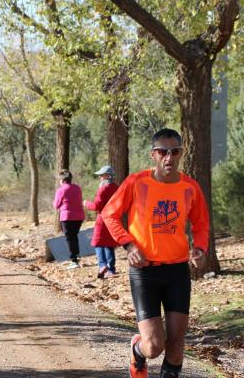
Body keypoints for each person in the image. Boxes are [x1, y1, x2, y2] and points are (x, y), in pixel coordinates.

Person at [101, 128, 209, 378]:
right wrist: (128, 245)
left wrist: (200, 248)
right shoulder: (136, 182)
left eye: (175, 152)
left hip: (177, 270)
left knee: (176, 344)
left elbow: (201, 224)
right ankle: (138, 350)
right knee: (154, 346)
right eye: (162, 152)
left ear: (182, 154)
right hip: (144, 271)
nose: (168, 157)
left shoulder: (190, 187)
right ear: (153, 155)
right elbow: (109, 214)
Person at [84, 165, 119, 278]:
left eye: (101, 175)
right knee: (109, 244)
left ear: (108, 176)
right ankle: (111, 270)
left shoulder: (103, 188)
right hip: (113, 218)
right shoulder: (116, 187)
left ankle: (103, 265)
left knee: (98, 243)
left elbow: (97, 206)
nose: (100, 177)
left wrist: (86, 204)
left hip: (102, 219)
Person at [53, 169, 85, 269]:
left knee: (69, 238)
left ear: (62, 180)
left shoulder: (61, 190)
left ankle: (74, 260)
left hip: (67, 217)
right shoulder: (77, 188)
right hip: (79, 216)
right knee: (74, 236)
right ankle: (76, 256)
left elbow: (56, 205)